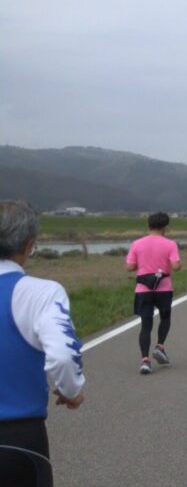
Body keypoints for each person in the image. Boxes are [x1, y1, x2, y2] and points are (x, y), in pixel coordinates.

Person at [0, 201, 85, 487]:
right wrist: (70, 389)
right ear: (29, 245)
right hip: (17, 437)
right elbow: (62, 356)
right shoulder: (42, 293)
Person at [126, 212, 181, 375]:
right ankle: (160, 346)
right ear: (165, 227)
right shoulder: (170, 244)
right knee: (165, 318)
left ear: (148, 225)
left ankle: (144, 361)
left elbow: (129, 267)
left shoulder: (137, 243)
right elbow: (176, 266)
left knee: (146, 324)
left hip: (144, 289)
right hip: (164, 288)